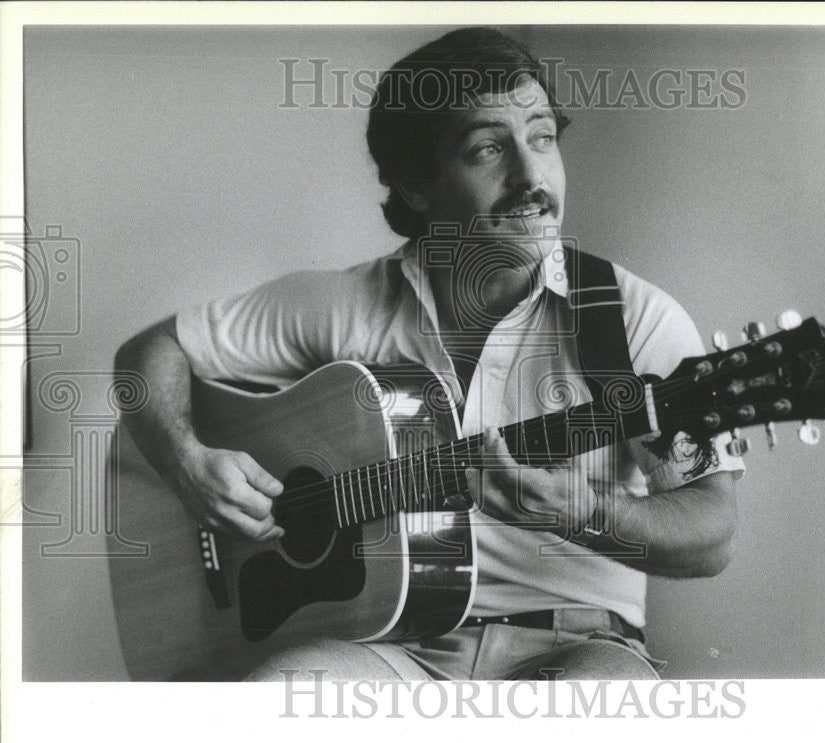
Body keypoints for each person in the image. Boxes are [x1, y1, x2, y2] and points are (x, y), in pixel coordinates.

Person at [115, 27, 743, 681]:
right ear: (417, 185)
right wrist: (186, 461)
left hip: (575, 643)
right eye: (489, 148)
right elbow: (151, 352)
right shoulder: (346, 302)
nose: (532, 176)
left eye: (542, 137)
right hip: (392, 648)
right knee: (277, 696)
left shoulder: (631, 320)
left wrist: (586, 513)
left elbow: (713, 532)